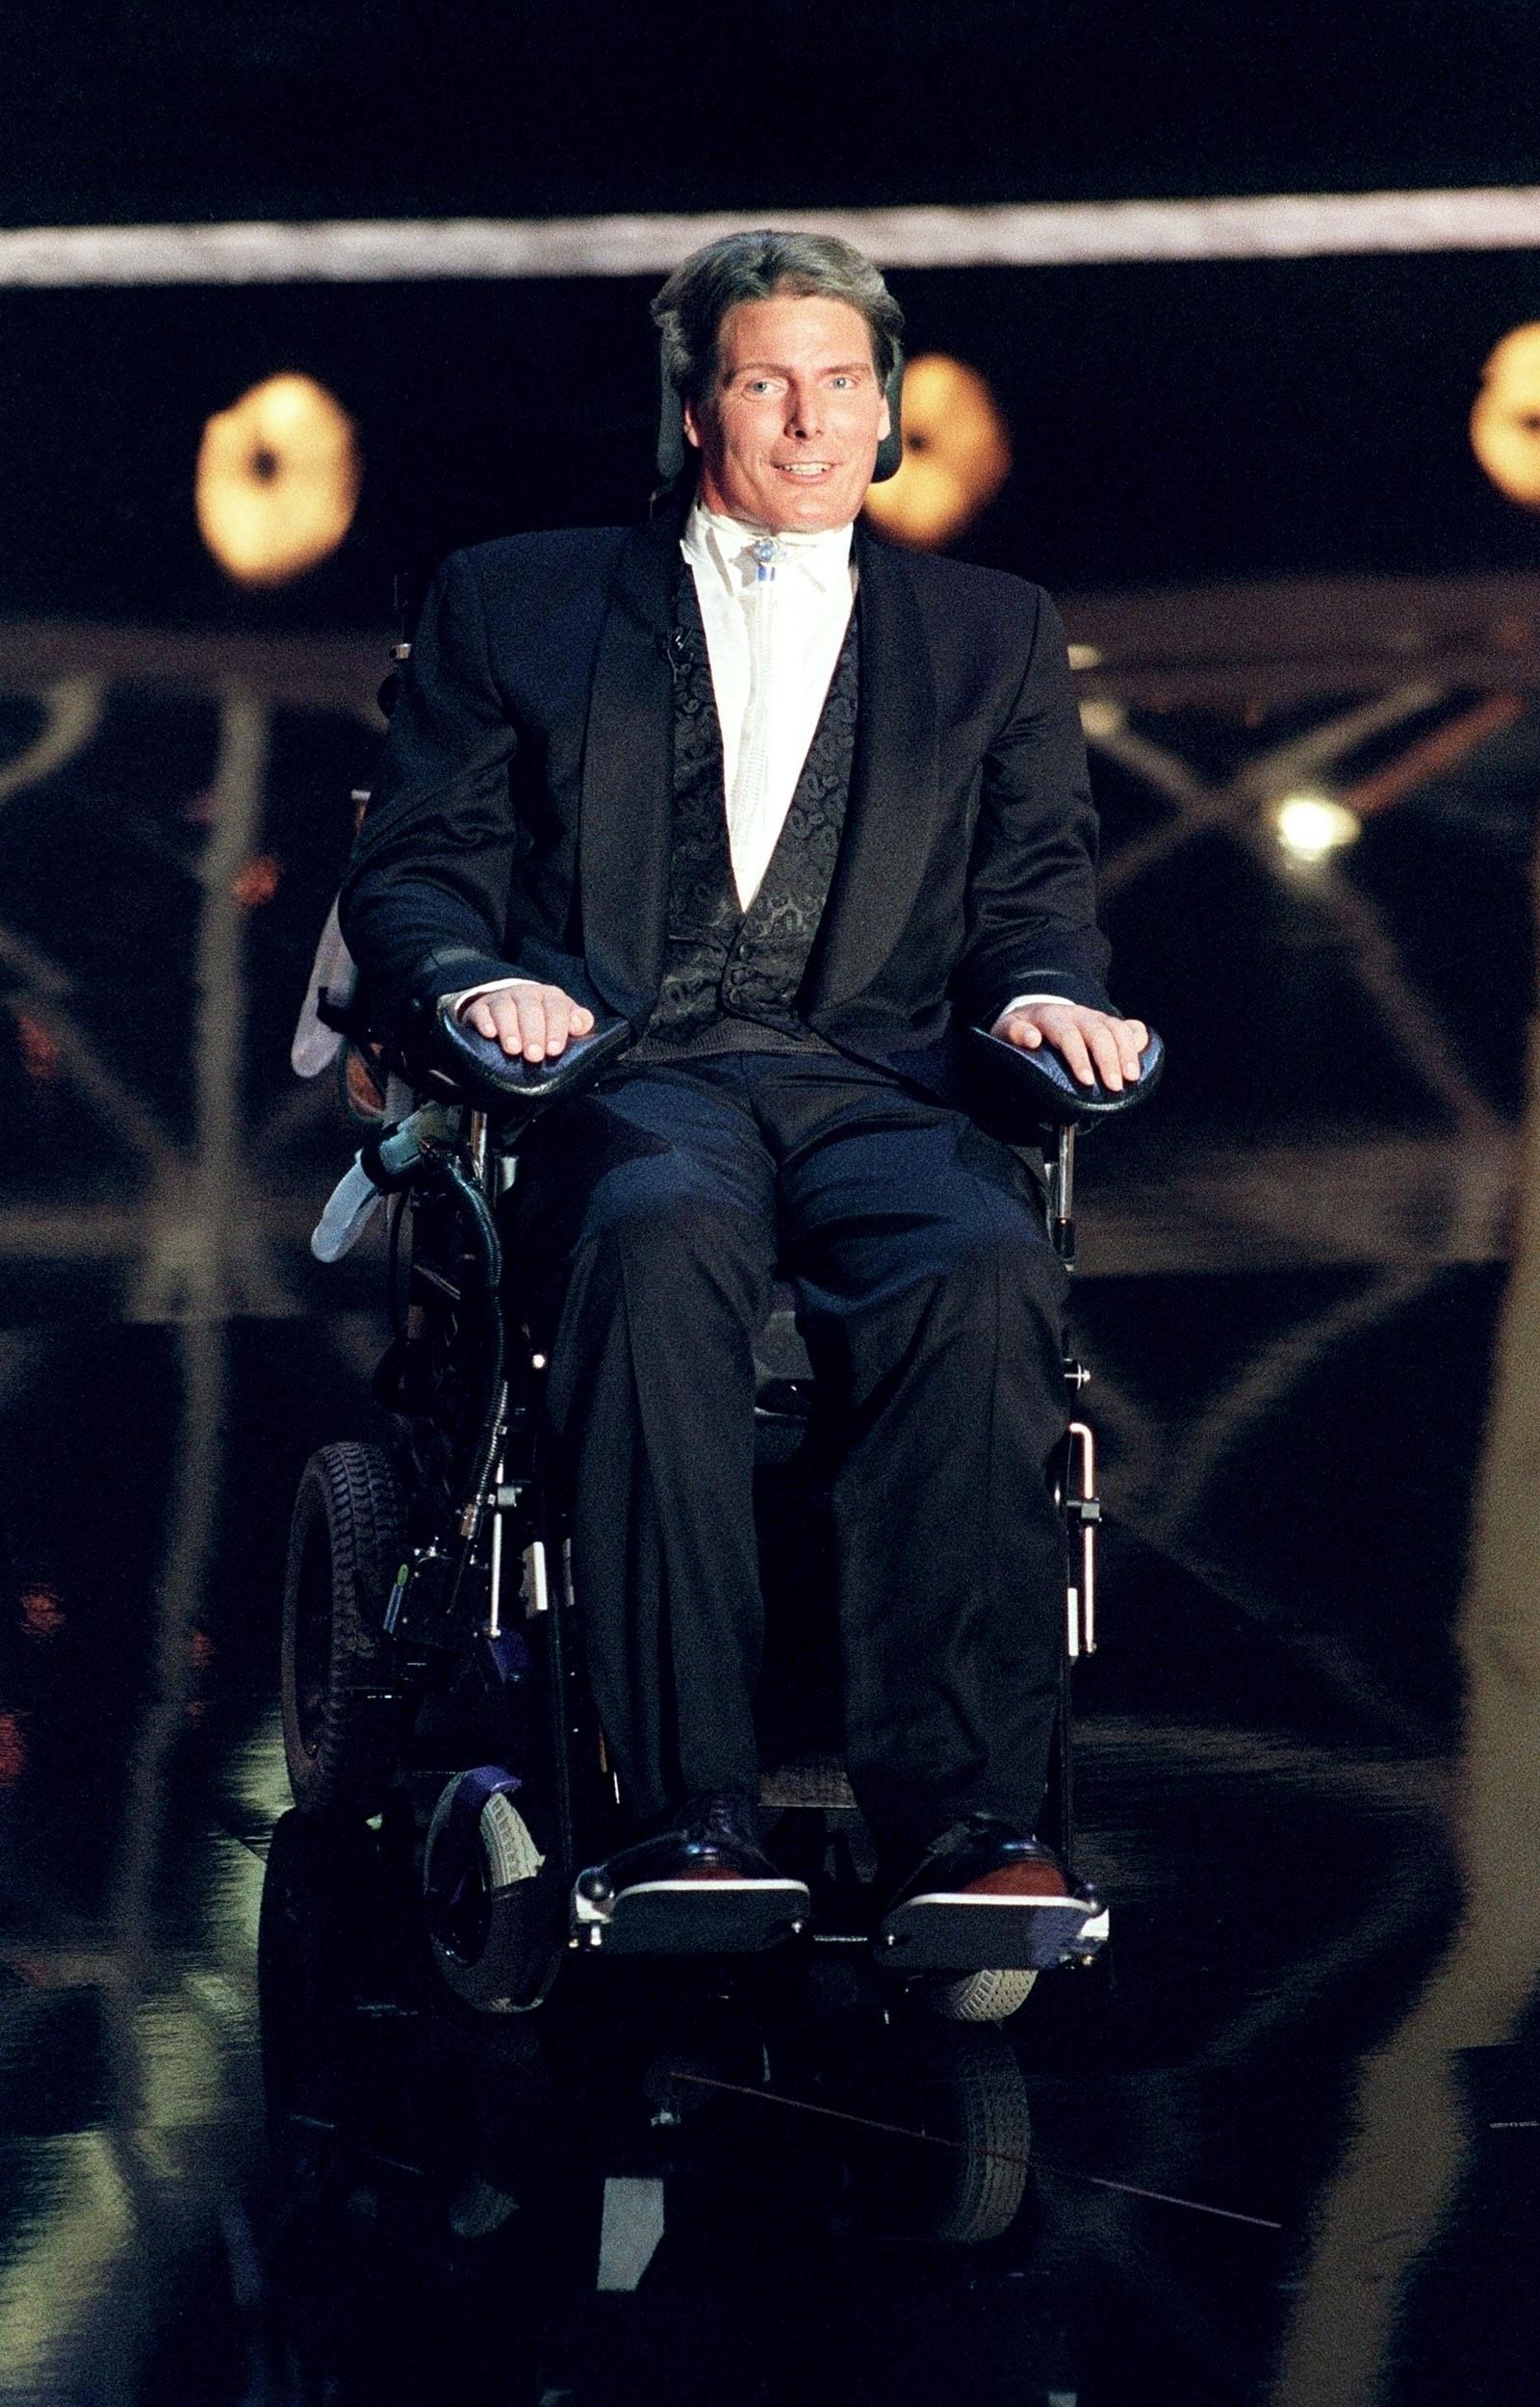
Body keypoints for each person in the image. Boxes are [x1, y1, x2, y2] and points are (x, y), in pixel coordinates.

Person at [341, 229, 1148, 1952]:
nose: (805, 420)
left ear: (888, 409)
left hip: (878, 1081)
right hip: (631, 1074)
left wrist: (1054, 1001)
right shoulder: (521, 600)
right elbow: (414, 877)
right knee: (655, 1242)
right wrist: (480, 979)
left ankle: (969, 1822)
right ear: (696, 403)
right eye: (764, 380)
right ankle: (684, 1814)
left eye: (839, 383)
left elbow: (1031, 909)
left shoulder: (990, 633)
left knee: (982, 1271)